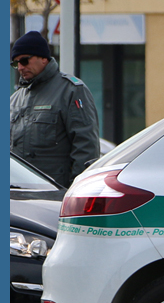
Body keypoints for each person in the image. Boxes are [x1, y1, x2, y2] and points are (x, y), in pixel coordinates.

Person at [10, 32, 100, 187]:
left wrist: (75, 191)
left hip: (55, 193)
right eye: (16, 63)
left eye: (24, 61)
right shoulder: (16, 99)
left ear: (43, 58)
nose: (20, 67)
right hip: (19, 194)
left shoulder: (71, 91)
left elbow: (86, 148)